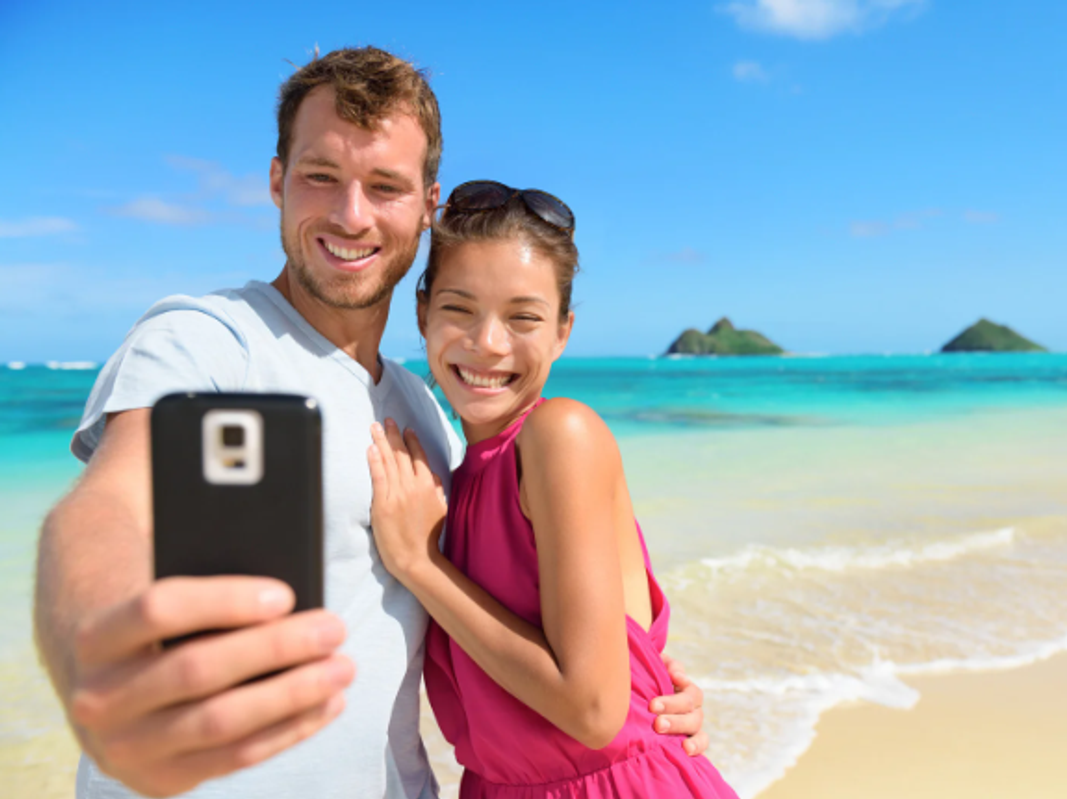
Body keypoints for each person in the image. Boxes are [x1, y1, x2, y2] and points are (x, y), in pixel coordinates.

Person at [32, 47, 708, 799]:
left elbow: (537, 624)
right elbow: (109, 509)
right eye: (321, 175)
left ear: (426, 205)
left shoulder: (430, 419)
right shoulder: (211, 343)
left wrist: (649, 698)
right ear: (276, 181)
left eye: (384, 186)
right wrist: (98, 654)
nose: (351, 215)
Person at [365, 181, 737, 797]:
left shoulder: (561, 434)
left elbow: (592, 712)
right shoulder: (455, 471)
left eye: (523, 317)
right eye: (459, 309)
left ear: (563, 332)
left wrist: (421, 566)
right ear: (423, 313)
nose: (488, 342)